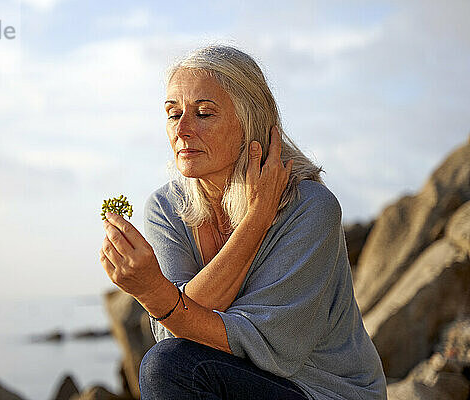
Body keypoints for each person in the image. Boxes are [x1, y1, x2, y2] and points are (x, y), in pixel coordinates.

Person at [99, 45, 387, 400]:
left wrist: (153, 291)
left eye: (204, 113)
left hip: (323, 391)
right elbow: (177, 334)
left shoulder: (311, 208)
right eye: (173, 114)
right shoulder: (165, 207)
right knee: (168, 362)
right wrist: (256, 220)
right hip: (237, 380)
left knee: (168, 366)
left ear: (249, 121)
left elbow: (268, 347)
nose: (183, 130)